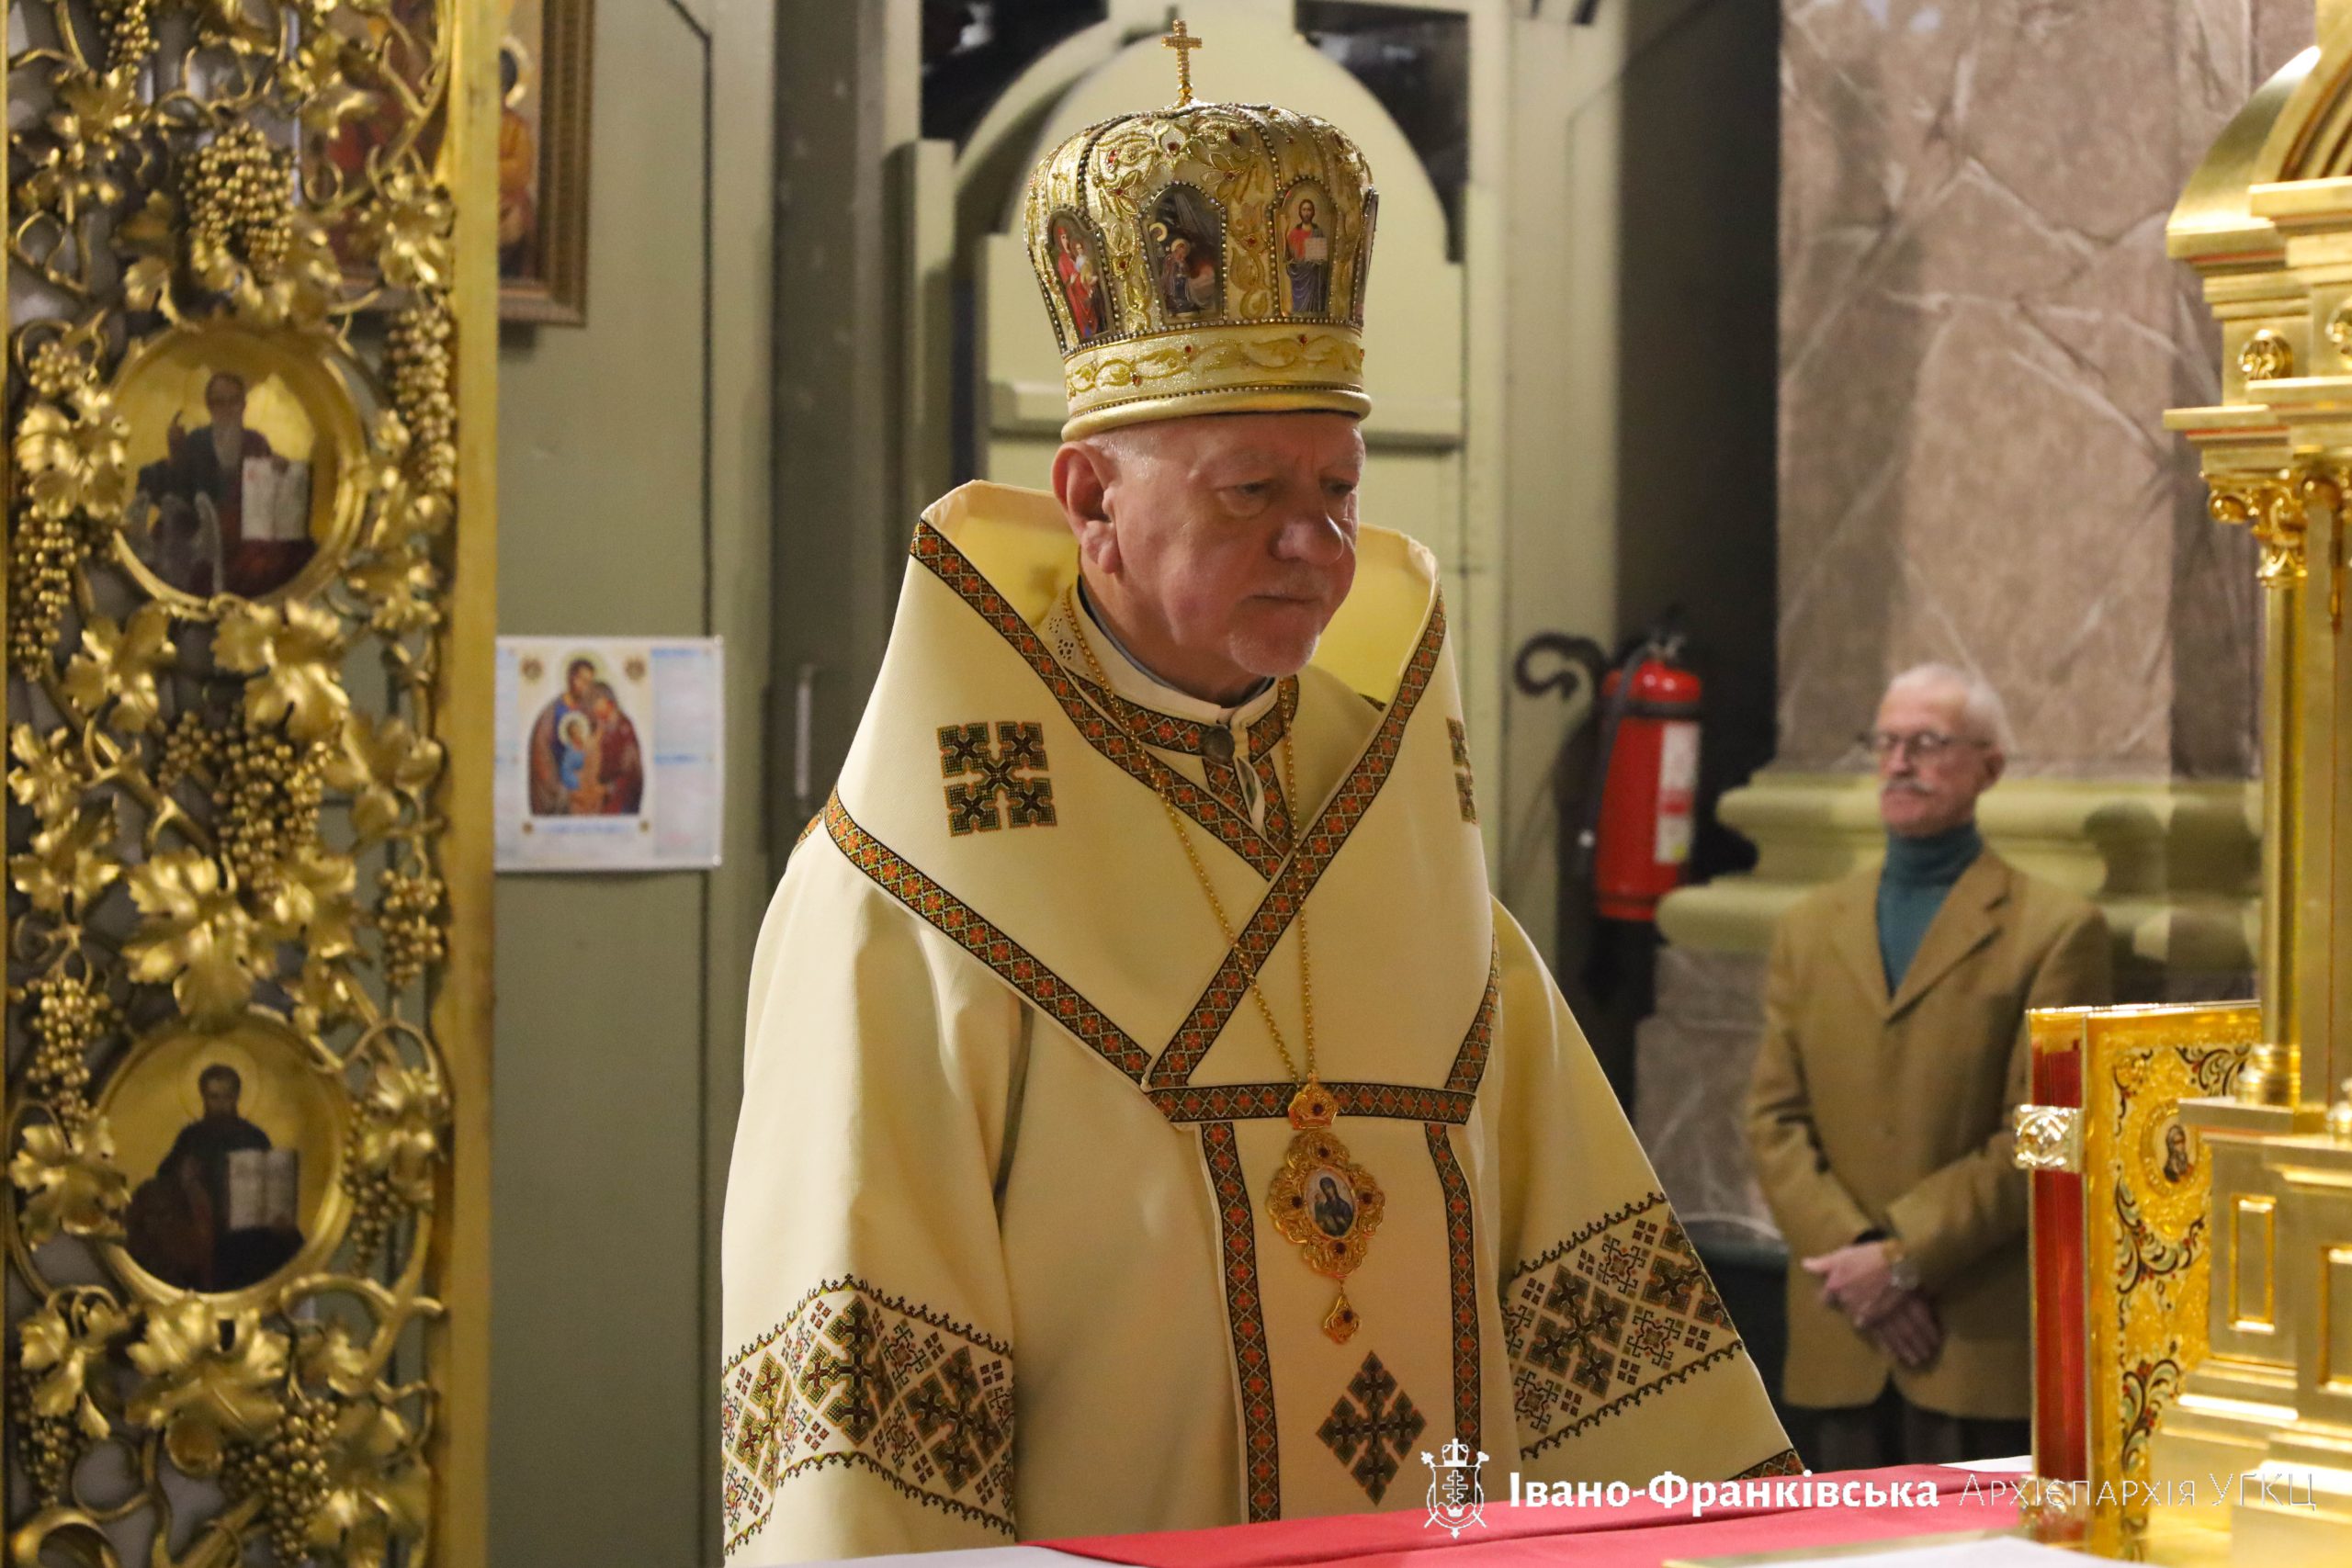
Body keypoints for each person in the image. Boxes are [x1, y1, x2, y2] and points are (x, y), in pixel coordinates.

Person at [723, 48, 1792, 1563]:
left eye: (1338, 491)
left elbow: (1585, 1285)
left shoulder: (1392, 815)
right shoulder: (915, 884)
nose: (1316, 543)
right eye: (1251, 494)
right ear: (1092, 502)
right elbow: (865, 1392)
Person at [1746, 664, 2112, 1469]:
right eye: (1886, 741)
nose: (1899, 761)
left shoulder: (2055, 931)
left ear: (1990, 766)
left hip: (1970, 1339)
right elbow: (1773, 1119)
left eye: (1928, 742)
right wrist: (1857, 1261)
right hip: (1840, 1328)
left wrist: (1906, 1257)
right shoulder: (1810, 926)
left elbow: (2046, 1133)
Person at [132, 372, 311, 598]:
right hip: (202, 521)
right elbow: (181, 487)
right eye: (219, 402)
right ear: (210, 406)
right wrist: (177, 452)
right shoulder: (197, 440)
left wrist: (278, 466)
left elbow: (267, 488)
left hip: (245, 525)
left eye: (233, 401)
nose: (227, 409)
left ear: (243, 405)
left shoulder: (255, 440)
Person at [1286, 195, 1329, 313]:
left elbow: (1323, 260)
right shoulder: (1294, 233)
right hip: (1299, 279)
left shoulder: (1318, 232)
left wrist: (1319, 263)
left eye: (1309, 210)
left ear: (1313, 212)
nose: (1306, 213)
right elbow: (1289, 258)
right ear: (1300, 212)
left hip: (1314, 278)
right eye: (1304, 210)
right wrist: (1295, 263)